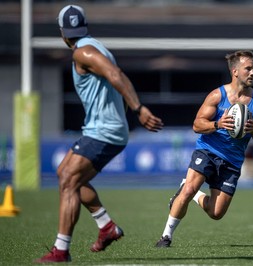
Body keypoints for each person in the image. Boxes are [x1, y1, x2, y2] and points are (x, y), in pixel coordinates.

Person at [37, 5, 163, 263]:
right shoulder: (95, 47)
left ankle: (61, 250)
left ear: (63, 33)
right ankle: (106, 227)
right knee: (67, 175)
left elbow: (116, 75)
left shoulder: (83, 52)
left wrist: (138, 109)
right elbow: (116, 76)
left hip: (104, 130)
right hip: (105, 129)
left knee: (69, 179)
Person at [155, 50, 253, 248]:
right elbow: (197, 125)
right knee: (189, 190)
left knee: (216, 213)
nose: (252, 73)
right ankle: (166, 237)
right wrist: (218, 124)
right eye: (248, 68)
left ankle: (195, 194)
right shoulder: (218, 95)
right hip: (208, 150)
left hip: (232, 161)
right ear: (235, 71)